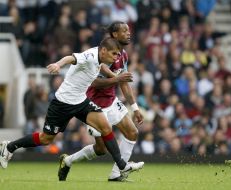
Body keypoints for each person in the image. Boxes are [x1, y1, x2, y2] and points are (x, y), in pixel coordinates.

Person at [0, 37, 144, 177]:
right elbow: (70, 58)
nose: (116, 57)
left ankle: (122, 166)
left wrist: (115, 77)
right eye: (114, 54)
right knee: (46, 139)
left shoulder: (100, 57)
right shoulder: (89, 56)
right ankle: (9, 147)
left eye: (118, 54)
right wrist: (57, 64)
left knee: (105, 127)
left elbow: (101, 67)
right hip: (63, 103)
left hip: (81, 101)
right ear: (104, 51)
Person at [58, 21, 144, 182]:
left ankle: (117, 173)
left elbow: (123, 82)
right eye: (124, 30)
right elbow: (93, 82)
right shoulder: (101, 54)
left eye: (129, 30)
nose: (128, 33)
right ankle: (68, 161)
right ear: (114, 35)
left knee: (132, 132)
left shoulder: (123, 55)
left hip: (111, 101)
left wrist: (135, 108)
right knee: (100, 149)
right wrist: (117, 78)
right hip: (93, 105)